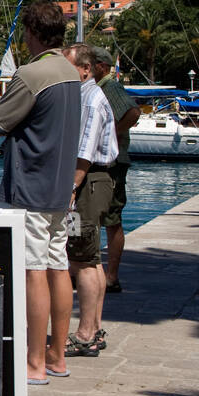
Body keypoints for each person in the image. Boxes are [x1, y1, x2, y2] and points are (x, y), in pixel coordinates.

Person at [0, 2, 82, 384]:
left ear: (35, 33)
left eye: (26, 33)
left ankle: (34, 363)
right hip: (61, 189)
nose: (24, 39)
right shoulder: (72, 73)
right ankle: (57, 357)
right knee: (59, 267)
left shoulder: (32, 73)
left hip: (30, 188)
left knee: (32, 269)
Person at [61, 44, 119, 359]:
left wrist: (71, 188)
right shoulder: (86, 96)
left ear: (85, 69)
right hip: (94, 180)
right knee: (91, 257)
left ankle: (84, 333)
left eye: (68, 68)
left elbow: (84, 150)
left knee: (82, 256)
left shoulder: (90, 100)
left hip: (89, 181)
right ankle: (92, 329)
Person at [91, 46, 139, 305]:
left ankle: (112, 275)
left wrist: (112, 133)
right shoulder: (100, 88)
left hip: (113, 163)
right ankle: (97, 272)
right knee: (100, 217)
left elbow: (133, 112)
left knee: (111, 218)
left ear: (101, 66)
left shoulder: (111, 87)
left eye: (90, 64)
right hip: (107, 162)